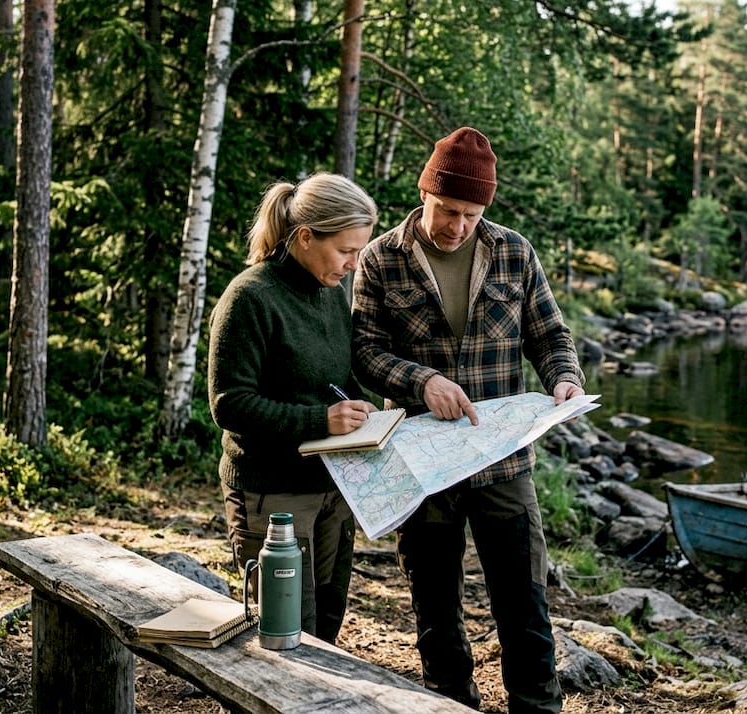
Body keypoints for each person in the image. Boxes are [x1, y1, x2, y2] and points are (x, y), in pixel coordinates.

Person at [351, 127, 584, 713]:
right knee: (434, 604)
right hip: (418, 460)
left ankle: (537, 706)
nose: (457, 226)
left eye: (471, 214)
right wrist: (421, 383)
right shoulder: (380, 258)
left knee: (524, 600)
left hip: (503, 457)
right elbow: (365, 352)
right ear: (424, 192)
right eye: (448, 210)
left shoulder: (513, 251)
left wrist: (564, 376)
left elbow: (549, 334)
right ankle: (449, 702)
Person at [207, 172, 379, 643]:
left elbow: (335, 377)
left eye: (359, 251)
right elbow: (229, 404)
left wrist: (369, 410)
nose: (353, 263)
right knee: (283, 632)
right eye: (346, 250)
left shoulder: (330, 292)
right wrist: (319, 420)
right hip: (272, 496)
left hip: (331, 487)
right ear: (305, 236)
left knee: (325, 627)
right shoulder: (249, 298)